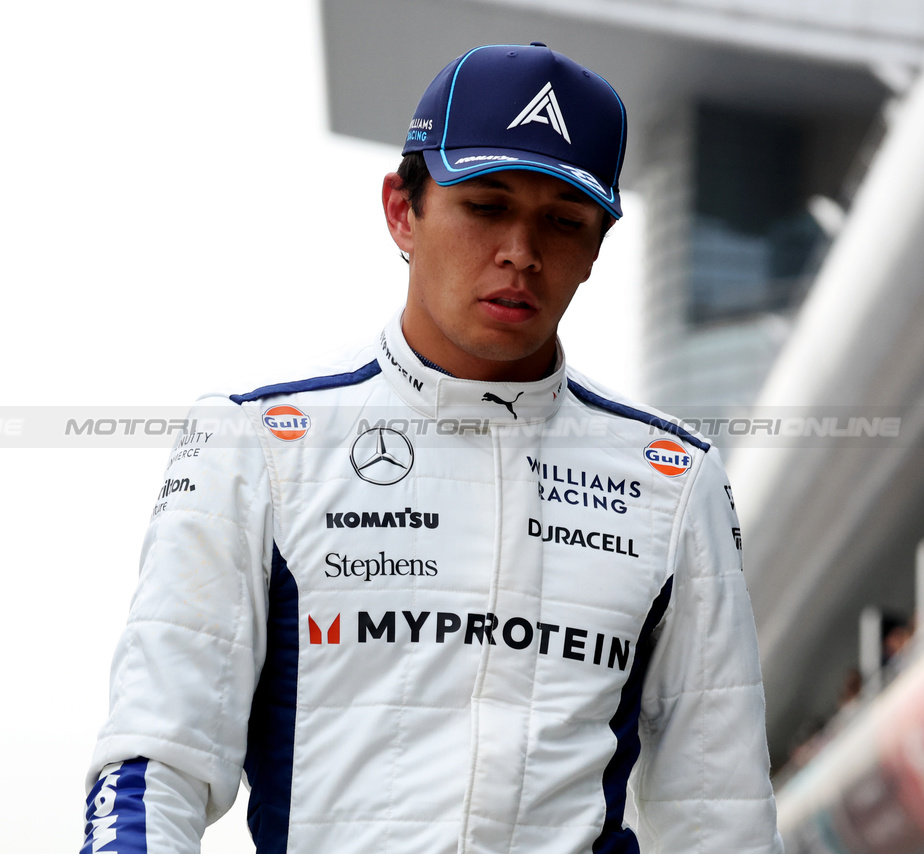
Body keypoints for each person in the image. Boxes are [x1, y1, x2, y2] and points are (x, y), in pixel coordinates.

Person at [83, 43, 783, 853]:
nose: (521, 251)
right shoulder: (257, 441)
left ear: (595, 249)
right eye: (486, 205)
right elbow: (154, 760)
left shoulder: (674, 479)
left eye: (563, 221)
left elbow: (721, 813)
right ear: (400, 210)